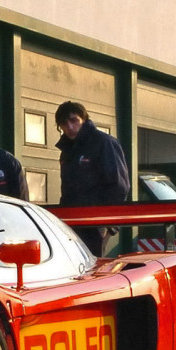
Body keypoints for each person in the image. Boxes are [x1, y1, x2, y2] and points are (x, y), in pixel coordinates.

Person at [55, 101, 131, 256]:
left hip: (96, 223)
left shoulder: (104, 142)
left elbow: (119, 186)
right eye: (64, 123)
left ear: (84, 119)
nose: (70, 127)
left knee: (93, 268)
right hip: (72, 223)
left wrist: (107, 224)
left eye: (74, 120)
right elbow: (67, 189)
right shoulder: (67, 151)